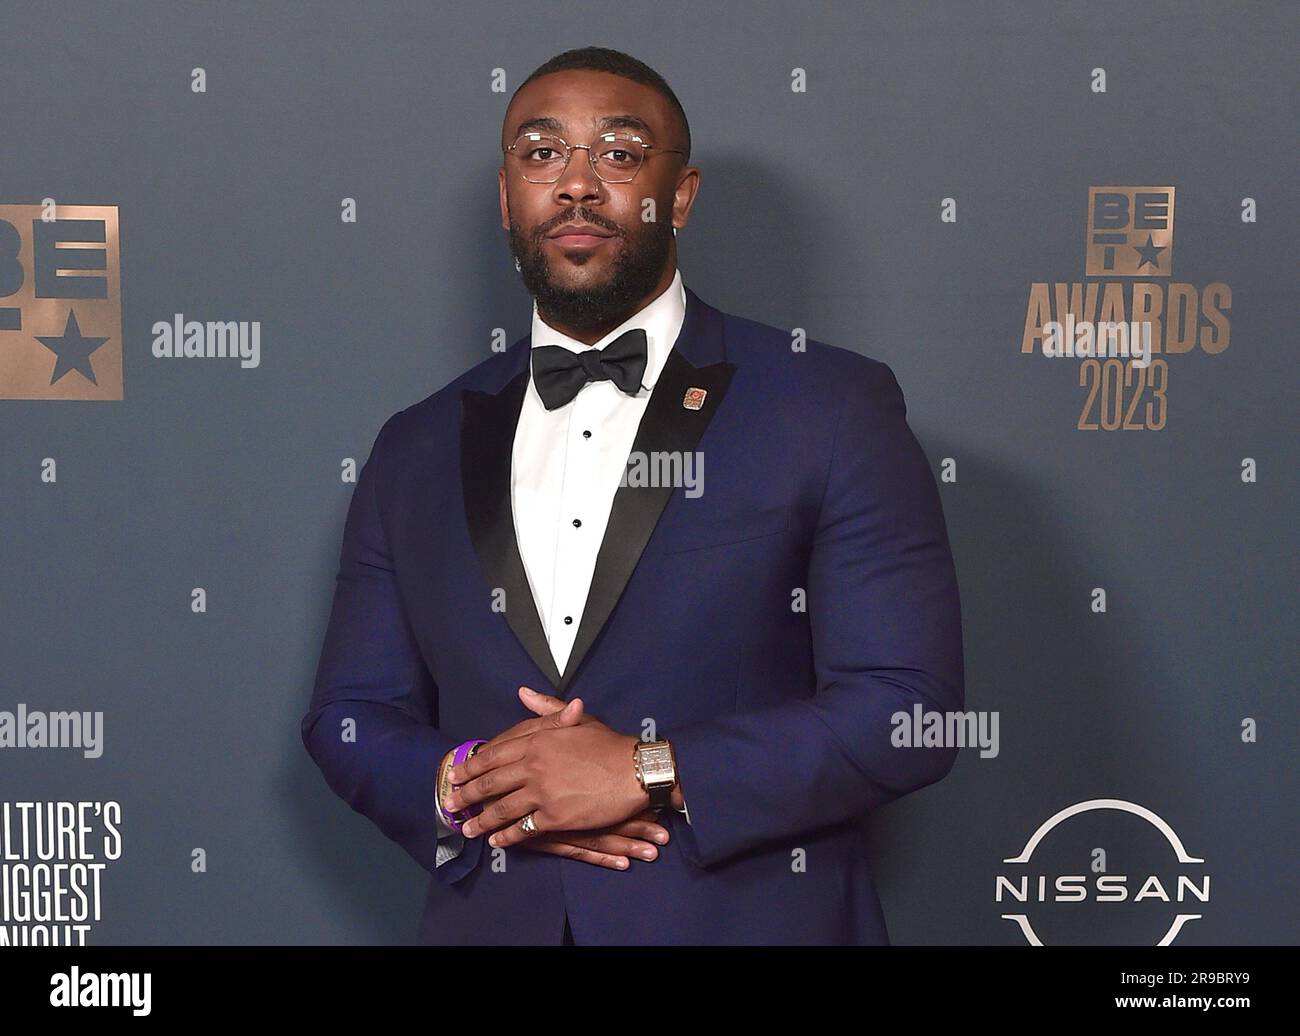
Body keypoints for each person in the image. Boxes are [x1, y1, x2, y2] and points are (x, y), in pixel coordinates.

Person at [301, 45, 964, 945]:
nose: (576, 185)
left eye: (616, 155)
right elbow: (350, 717)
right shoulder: (416, 443)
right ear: (508, 198)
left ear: (680, 194)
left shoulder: (829, 405)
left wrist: (650, 769)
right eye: (541, 155)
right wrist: (476, 782)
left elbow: (908, 709)